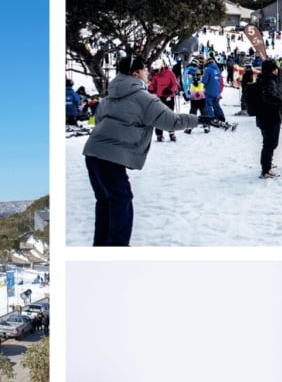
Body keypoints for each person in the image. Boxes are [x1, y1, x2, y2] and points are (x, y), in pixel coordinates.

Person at [82, 55, 204, 246]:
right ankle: (117, 246)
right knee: (121, 200)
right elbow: (172, 121)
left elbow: (99, 121)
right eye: (145, 69)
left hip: (92, 152)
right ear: (136, 73)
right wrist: (198, 119)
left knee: (105, 201)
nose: (148, 73)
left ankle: (101, 245)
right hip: (110, 156)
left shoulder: (110, 95)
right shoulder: (144, 98)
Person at [253, 59, 282, 179]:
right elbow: (269, 96)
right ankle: (265, 170)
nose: (277, 70)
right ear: (272, 70)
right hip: (270, 117)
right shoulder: (269, 81)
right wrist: (280, 102)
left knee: (269, 143)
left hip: (263, 117)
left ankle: (268, 164)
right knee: (269, 144)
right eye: (275, 68)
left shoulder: (262, 79)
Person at [148, 59, 182, 142]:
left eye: (157, 70)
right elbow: (153, 84)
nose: (156, 72)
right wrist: (151, 88)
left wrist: (170, 90)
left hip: (169, 96)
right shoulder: (155, 75)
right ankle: (159, 134)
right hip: (160, 96)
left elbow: (174, 83)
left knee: (169, 115)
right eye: (155, 70)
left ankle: (171, 133)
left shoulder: (169, 73)